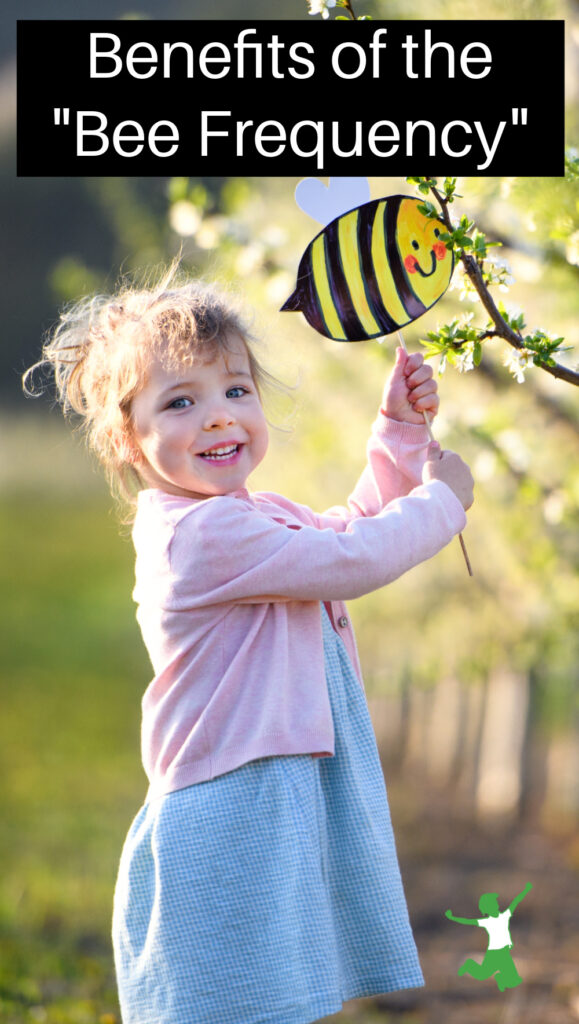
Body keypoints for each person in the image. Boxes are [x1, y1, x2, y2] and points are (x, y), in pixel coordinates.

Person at [24, 265, 474, 1024]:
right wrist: (442, 504)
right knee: (239, 997)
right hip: (233, 801)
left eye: (236, 391)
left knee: (273, 992)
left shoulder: (247, 516)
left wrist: (397, 434)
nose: (219, 417)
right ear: (128, 443)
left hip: (267, 783)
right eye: (180, 402)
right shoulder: (203, 535)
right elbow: (351, 560)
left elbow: (341, 530)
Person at [445, 883, 532, 991]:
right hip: (494, 952)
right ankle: (469, 965)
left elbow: (515, 902)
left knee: (514, 979)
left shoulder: (504, 916)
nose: (496, 905)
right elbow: (468, 921)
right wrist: (452, 917)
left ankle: (501, 978)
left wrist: (525, 891)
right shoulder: (487, 922)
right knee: (483, 974)